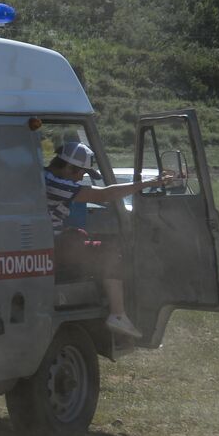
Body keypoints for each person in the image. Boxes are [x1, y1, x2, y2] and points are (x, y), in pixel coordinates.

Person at [45, 140, 174, 338]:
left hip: (48, 240)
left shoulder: (44, 176)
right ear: (69, 167)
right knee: (109, 251)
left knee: (79, 237)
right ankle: (118, 314)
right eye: (81, 173)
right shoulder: (57, 184)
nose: (81, 178)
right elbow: (104, 195)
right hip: (49, 245)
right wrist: (149, 183)